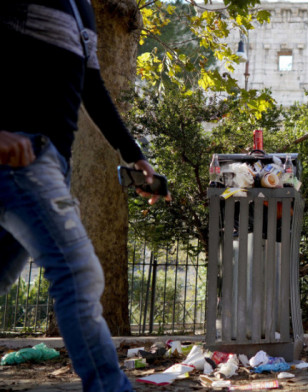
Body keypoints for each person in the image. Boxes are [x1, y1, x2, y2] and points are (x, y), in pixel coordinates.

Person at [0, 1, 167, 391]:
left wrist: (134, 154)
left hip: (52, 161)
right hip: (23, 159)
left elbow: (91, 88)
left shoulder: (81, 9)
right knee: (78, 273)